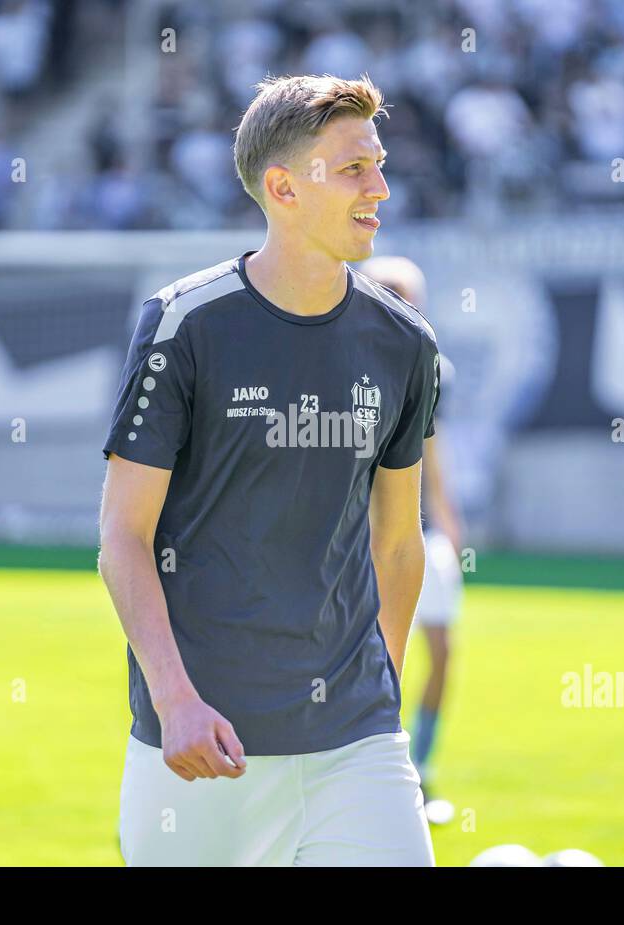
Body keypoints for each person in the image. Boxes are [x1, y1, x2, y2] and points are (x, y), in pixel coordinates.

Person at [98, 74, 440, 866]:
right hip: (201, 745)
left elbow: (397, 543)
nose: (380, 187)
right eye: (353, 168)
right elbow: (123, 536)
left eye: (379, 163)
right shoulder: (183, 324)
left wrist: (375, 691)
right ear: (283, 187)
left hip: (357, 745)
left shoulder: (405, 341)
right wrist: (175, 701)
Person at [358, 256, 463, 823]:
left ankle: (422, 766)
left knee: (442, 651)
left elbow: (432, 446)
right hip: (361, 542)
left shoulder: (430, 366)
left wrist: (448, 516)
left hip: (417, 534)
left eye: (409, 294)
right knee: (376, 660)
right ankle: (376, 773)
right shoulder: (344, 363)